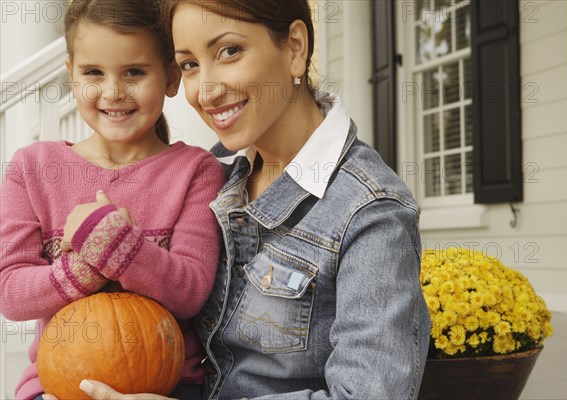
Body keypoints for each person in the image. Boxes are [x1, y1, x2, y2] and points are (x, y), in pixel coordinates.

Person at [44, 0, 432, 399]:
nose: (207, 91)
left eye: (229, 51)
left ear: (295, 48)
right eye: (190, 64)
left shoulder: (369, 211)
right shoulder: (216, 172)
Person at [0, 0, 224, 399]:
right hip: (57, 385)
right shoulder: (32, 168)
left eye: (134, 72)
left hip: (169, 386)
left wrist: (117, 244)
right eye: (93, 73)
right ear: (71, 74)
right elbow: (10, 292)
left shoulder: (196, 170)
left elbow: (190, 291)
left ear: (171, 76)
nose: (113, 91)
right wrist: (91, 260)